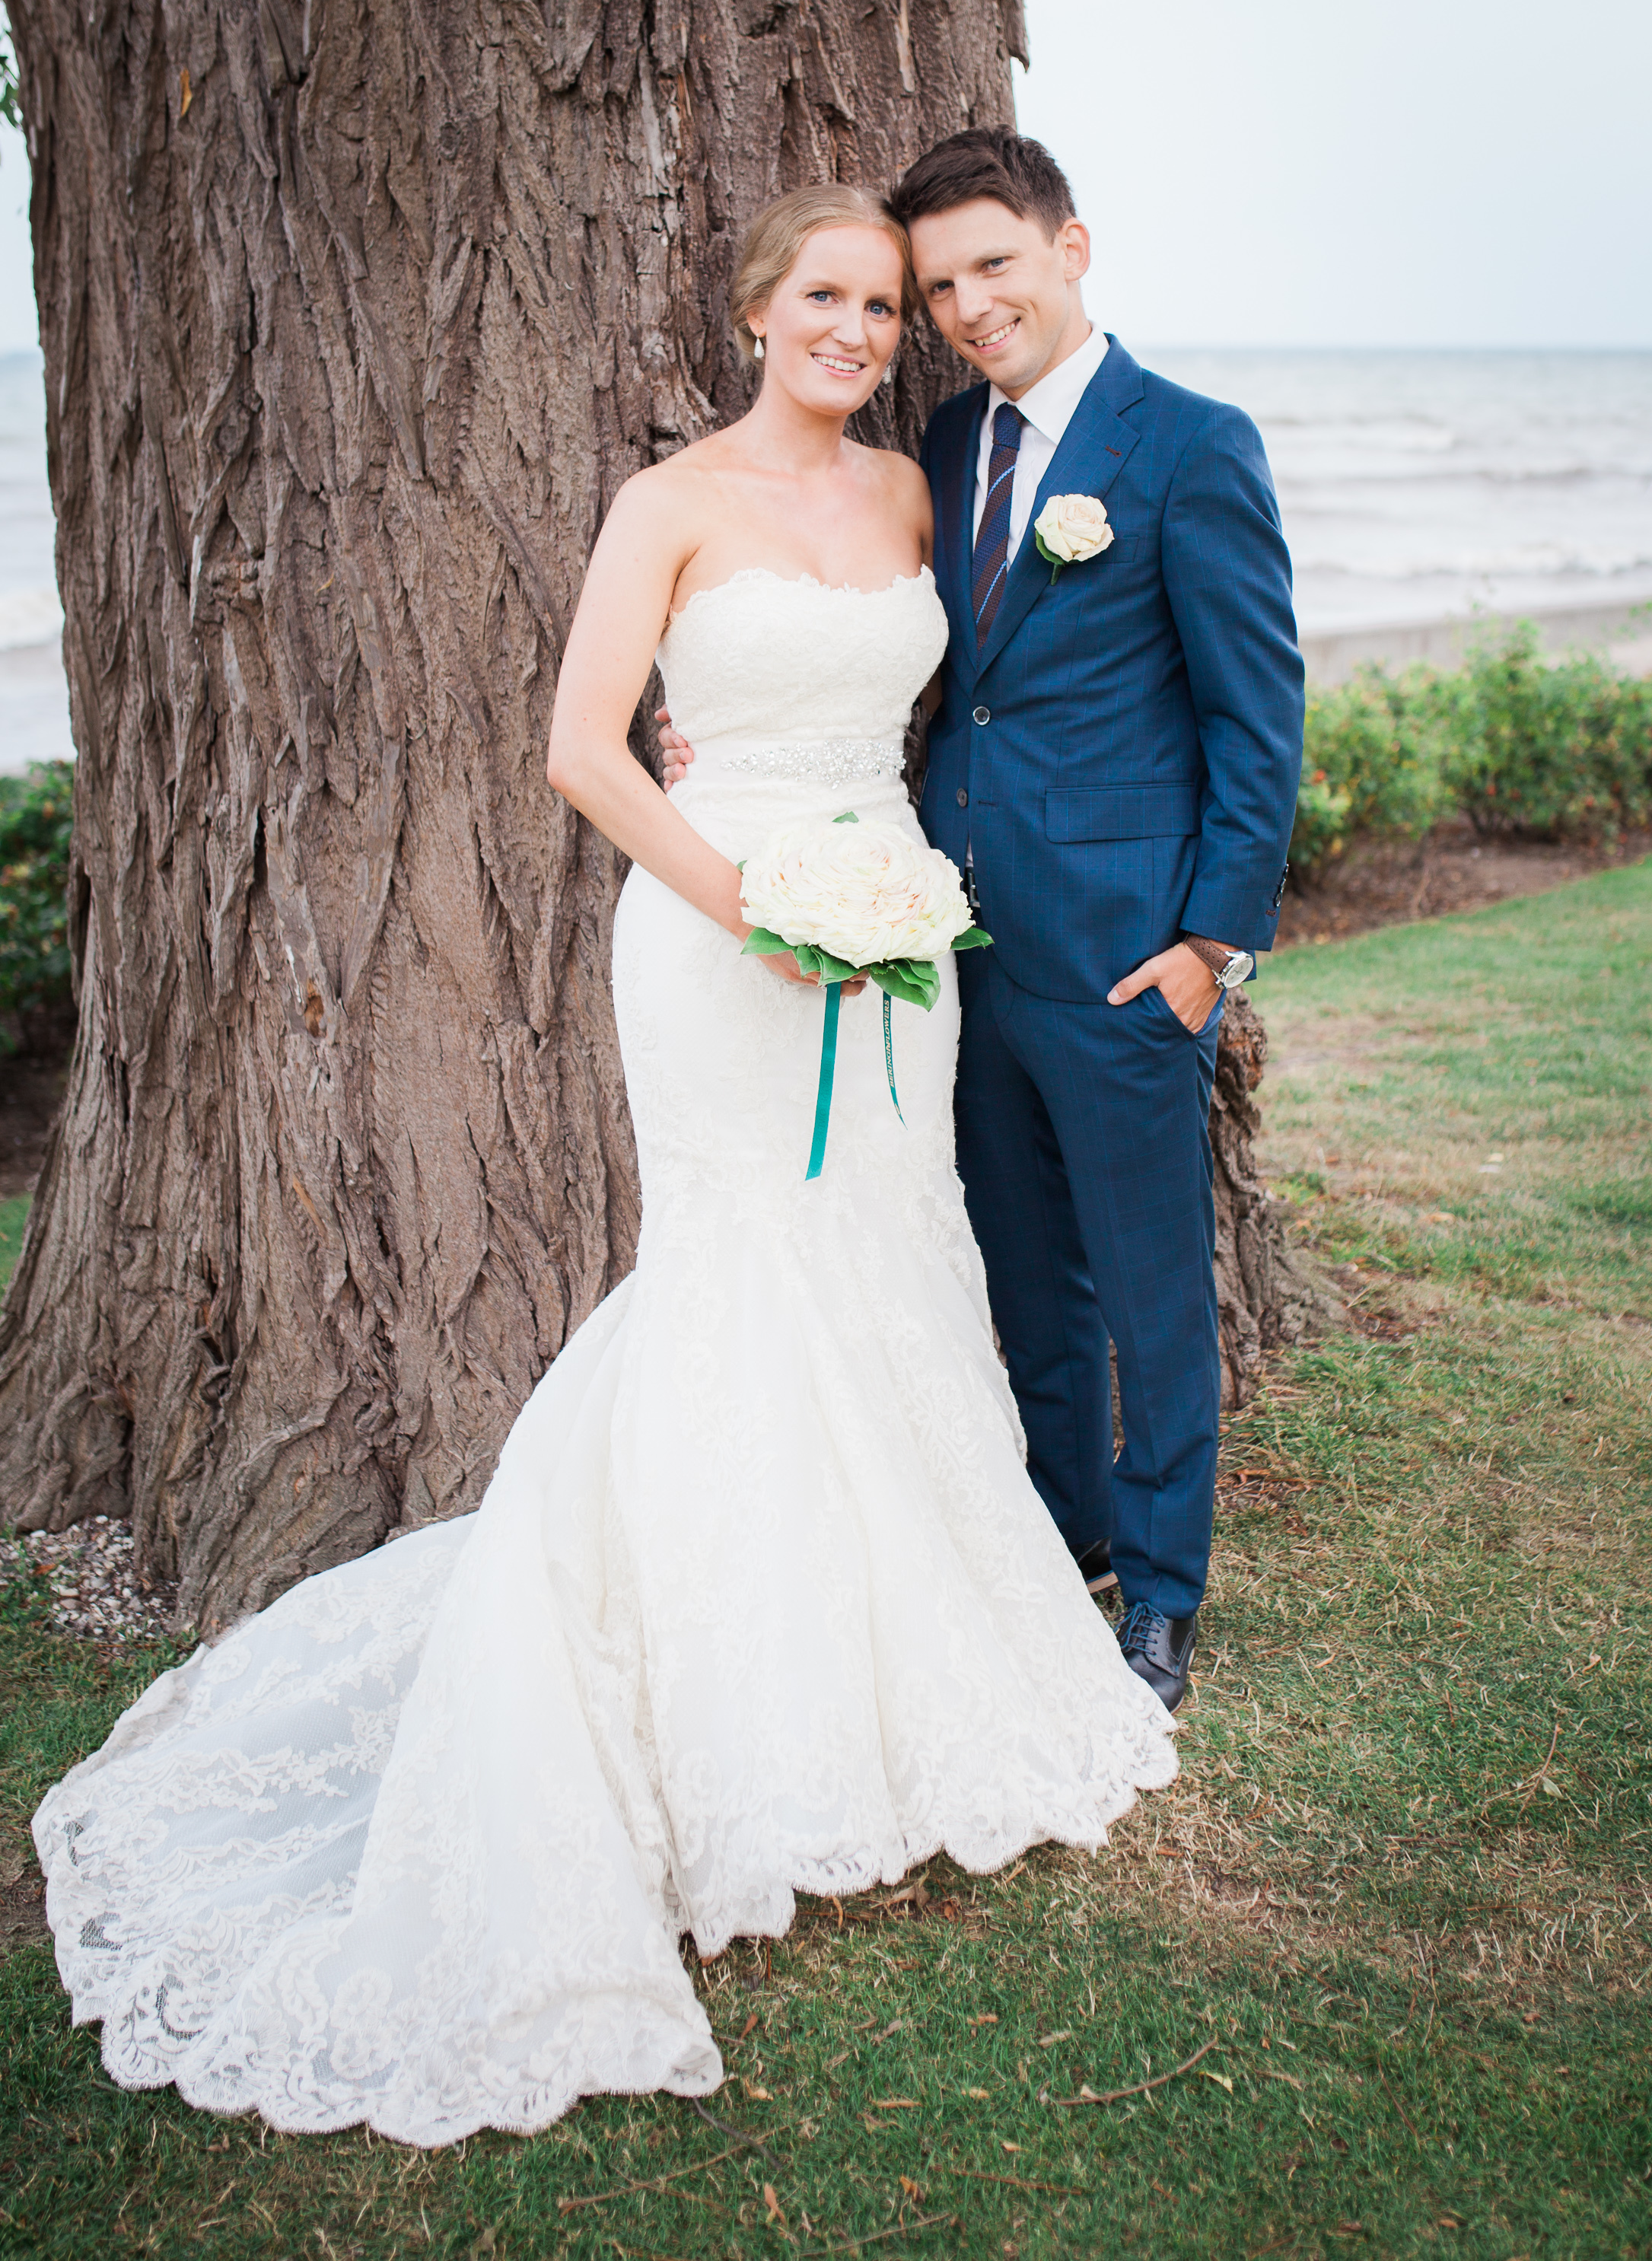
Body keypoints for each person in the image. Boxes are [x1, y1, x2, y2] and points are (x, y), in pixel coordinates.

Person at [32, 183, 1176, 2150]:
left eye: (882, 305)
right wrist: (757, 905)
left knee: (891, 1260)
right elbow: (584, 749)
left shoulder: (918, 500)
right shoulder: (667, 504)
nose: (857, 329)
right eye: (826, 296)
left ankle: (894, 1670)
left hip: (900, 945)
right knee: (737, 1274)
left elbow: (963, 706)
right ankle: (714, 1706)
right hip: (720, 945)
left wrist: (886, 895)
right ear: (756, 309)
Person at [664, 130, 1305, 1710]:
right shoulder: (947, 448)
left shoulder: (1190, 446)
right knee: (1028, 1282)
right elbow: (909, 661)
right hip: (951, 950)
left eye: (992, 266)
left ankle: (1162, 1591)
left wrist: (1210, 947)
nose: (965, 306)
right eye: (940, 284)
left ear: (1070, 248)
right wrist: (717, 735)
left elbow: (1257, 715)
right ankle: (1064, 1539)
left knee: (1151, 1292)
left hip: (1126, 956)